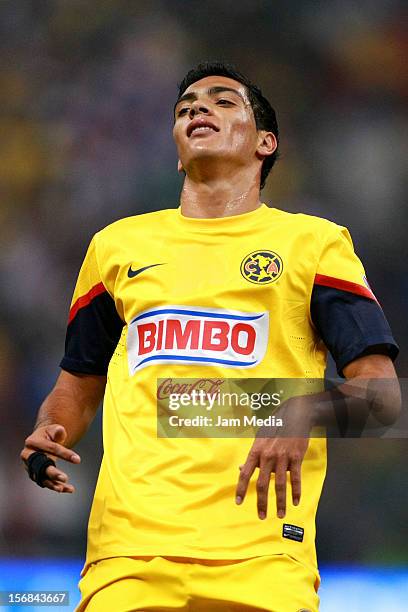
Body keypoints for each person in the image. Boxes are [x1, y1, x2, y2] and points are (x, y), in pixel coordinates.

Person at [21, 62, 399, 612]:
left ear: (265, 142)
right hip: (130, 555)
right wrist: (49, 428)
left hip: (264, 556)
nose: (198, 109)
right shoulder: (115, 247)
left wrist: (297, 414)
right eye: (185, 108)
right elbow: (78, 384)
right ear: (178, 150)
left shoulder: (314, 245)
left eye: (223, 102)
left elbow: (383, 401)